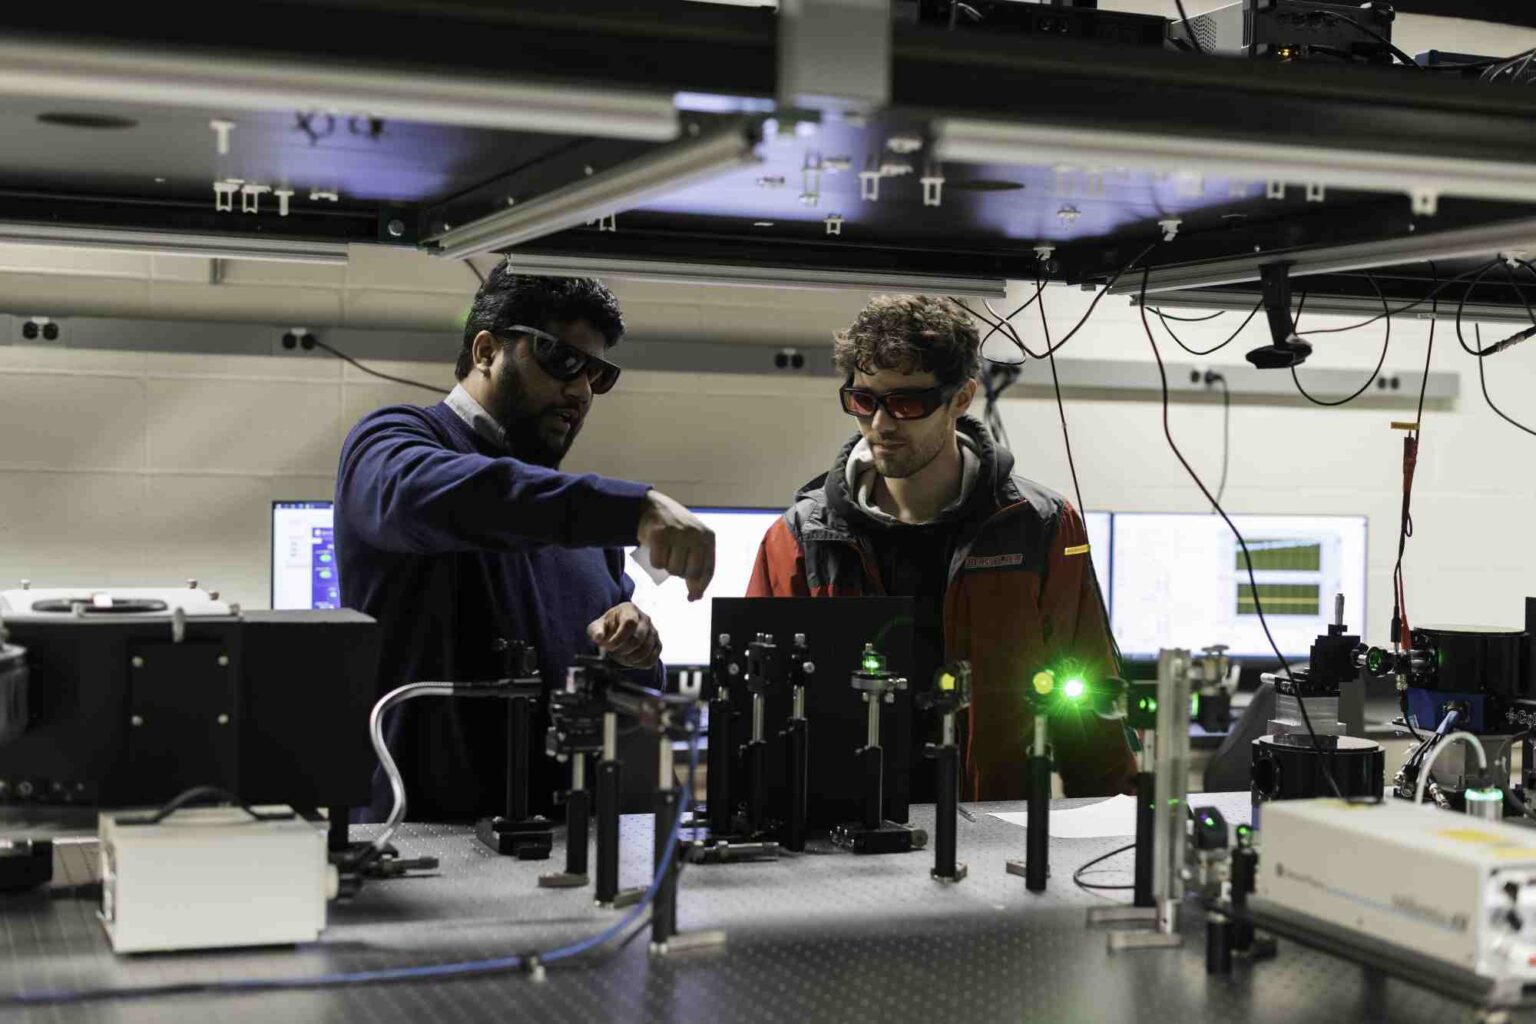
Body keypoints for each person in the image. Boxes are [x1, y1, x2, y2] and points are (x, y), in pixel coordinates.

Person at [335, 267, 715, 822]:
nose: (580, 389)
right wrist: (629, 508)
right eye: (561, 359)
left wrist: (636, 650)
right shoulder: (393, 444)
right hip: (420, 844)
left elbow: (618, 695)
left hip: (557, 848)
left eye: (597, 373)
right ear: (487, 350)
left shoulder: (581, 526)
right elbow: (443, 497)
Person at [746, 295, 1134, 801]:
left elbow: (1088, 692)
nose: (881, 425)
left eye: (907, 403)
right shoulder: (800, 537)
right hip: (844, 832)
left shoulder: (1039, 527)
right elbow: (760, 707)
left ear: (961, 398)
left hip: (994, 830)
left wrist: (1119, 827)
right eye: (864, 401)